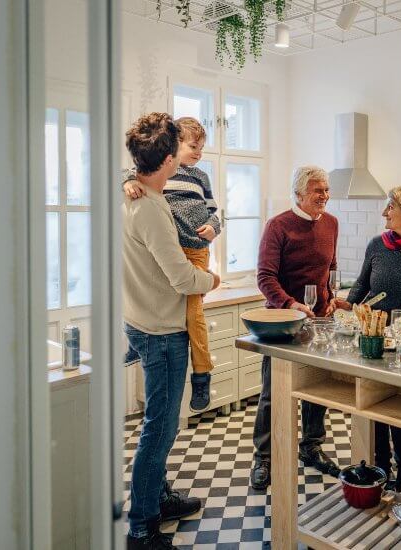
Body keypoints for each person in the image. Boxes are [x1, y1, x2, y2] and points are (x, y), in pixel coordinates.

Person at [122, 112, 220, 550]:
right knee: (158, 429)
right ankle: (142, 524)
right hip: (161, 331)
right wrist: (212, 281)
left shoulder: (132, 194)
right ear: (166, 159)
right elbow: (184, 279)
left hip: (144, 320)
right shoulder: (151, 210)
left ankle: (157, 499)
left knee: (160, 425)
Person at [335, 185, 401, 490]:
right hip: (374, 338)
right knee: (375, 407)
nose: (384, 212)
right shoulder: (376, 245)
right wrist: (343, 303)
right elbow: (360, 288)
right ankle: (380, 470)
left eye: (390, 207)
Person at [250, 165, 340, 490]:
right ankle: (263, 457)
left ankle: (311, 447)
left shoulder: (332, 223)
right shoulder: (278, 226)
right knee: (273, 394)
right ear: (300, 194)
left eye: (327, 190)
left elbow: (330, 269)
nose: (325, 196)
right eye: (319, 191)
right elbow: (265, 278)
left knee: (317, 391)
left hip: (320, 322)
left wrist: (331, 297)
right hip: (283, 326)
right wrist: (290, 305)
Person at [123, 117, 222, 413]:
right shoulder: (153, 176)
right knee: (150, 288)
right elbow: (125, 172)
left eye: (202, 148)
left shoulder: (201, 176)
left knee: (194, 315)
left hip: (197, 250)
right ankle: (135, 341)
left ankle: (202, 373)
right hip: (173, 248)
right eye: (193, 146)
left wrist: (214, 227)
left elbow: (216, 211)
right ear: (172, 149)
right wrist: (127, 182)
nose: (198, 153)